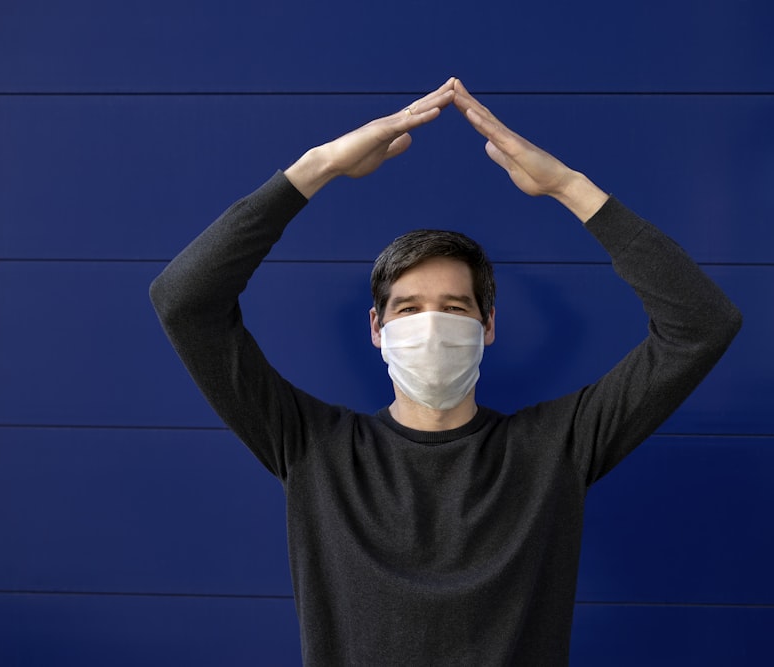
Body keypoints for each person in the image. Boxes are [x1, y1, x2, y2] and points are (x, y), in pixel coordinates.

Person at [150, 77, 742, 666]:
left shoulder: (555, 447)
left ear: (487, 325)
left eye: (454, 308)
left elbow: (701, 325)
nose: (431, 326)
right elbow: (184, 301)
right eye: (408, 309)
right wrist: (317, 167)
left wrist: (569, 187)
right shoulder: (313, 447)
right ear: (377, 328)